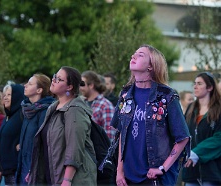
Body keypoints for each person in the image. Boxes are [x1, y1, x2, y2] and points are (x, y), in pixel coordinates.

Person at [111, 44, 190, 186]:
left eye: (140, 55)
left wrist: (163, 168)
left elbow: (183, 137)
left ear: (151, 66)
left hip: (153, 177)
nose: (133, 56)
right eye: (134, 54)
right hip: (127, 177)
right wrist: (119, 171)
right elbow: (122, 134)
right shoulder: (125, 94)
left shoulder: (166, 96)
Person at [28, 66, 97, 185]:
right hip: (52, 176)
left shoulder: (75, 110)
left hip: (72, 180)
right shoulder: (53, 108)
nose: (53, 80)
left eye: (59, 79)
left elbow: (74, 147)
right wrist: (35, 171)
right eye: (55, 76)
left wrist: (67, 179)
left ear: (69, 87)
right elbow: (46, 145)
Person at [182, 72, 221, 186]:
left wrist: (197, 152)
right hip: (191, 172)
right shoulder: (190, 109)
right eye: (194, 83)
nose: (195, 86)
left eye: (199, 83)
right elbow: (183, 134)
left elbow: (219, 138)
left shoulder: (218, 111)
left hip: (212, 173)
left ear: (210, 87)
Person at [16, 74, 55, 185]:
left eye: (30, 84)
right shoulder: (28, 110)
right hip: (23, 164)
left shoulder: (45, 111)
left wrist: (33, 169)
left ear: (39, 90)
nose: (25, 85)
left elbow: (44, 144)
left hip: (35, 168)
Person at [0, 82, 25, 185]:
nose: (5, 98)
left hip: (17, 172)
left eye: (9, 95)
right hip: (6, 173)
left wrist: (22, 144)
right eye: (4, 95)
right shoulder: (8, 117)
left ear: (17, 96)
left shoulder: (23, 114)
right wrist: (0, 169)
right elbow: (3, 144)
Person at [80, 70, 116, 142]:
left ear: (91, 85)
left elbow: (109, 138)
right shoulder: (81, 104)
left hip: (98, 152)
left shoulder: (105, 106)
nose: (80, 87)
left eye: (82, 84)